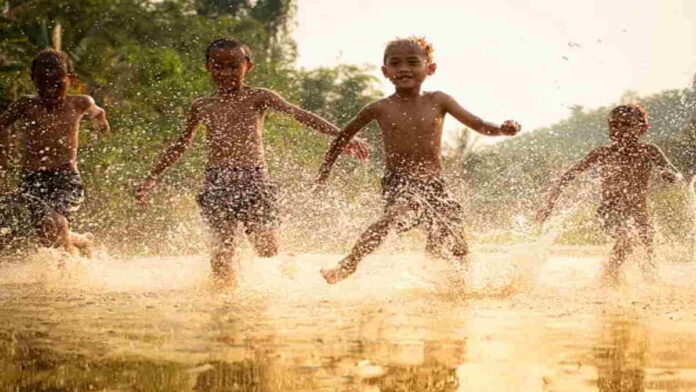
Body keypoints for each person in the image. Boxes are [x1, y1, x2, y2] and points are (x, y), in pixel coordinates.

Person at [135, 37, 368, 284]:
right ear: (207, 67)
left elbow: (299, 114)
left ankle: (290, 269)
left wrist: (343, 136)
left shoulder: (258, 97)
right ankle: (224, 306)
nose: (226, 73)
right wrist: (152, 177)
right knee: (222, 253)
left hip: (254, 178)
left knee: (266, 249)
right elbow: (181, 144)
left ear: (248, 67)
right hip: (217, 181)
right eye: (218, 66)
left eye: (234, 66)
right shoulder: (202, 105)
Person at [316, 37, 520, 284]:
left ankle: (454, 286)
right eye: (395, 63)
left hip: (435, 184)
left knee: (455, 241)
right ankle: (348, 264)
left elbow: (478, 124)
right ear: (385, 71)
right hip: (399, 181)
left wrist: (501, 129)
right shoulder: (379, 108)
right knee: (396, 214)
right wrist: (324, 174)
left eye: (413, 62)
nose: (404, 68)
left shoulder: (439, 100)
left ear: (430, 68)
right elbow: (342, 137)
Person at [537, 104, 682, 284]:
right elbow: (567, 176)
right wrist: (549, 204)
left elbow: (676, 174)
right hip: (609, 211)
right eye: (614, 125)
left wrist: (669, 175)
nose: (619, 129)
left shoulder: (649, 151)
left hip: (639, 213)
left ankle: (631, 285)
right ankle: (607, 279)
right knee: (628, 240)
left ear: (643, 128)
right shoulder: (602, 153)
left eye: (626, 125)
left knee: (648, 255)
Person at [0, 49, 109, 256]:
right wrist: (4, 159)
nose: (49, 89)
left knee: (56, 223)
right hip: (32, 177)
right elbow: (1, 125)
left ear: (71, 78)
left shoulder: (79, 102)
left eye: (57, 83)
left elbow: (98, 111)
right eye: (42, 83)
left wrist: (101, 122)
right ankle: (81, 241)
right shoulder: (26, 104)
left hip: (65, 176)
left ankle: (70, 266)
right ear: (33, 79)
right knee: (46, 234)